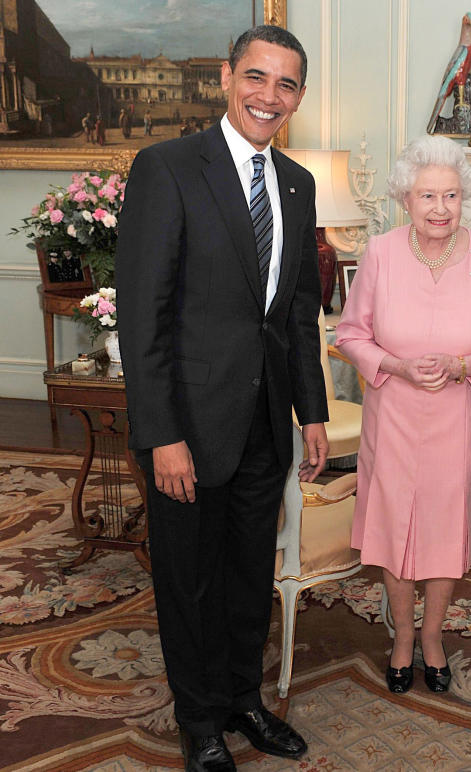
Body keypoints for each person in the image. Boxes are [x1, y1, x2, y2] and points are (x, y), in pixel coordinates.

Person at [116, 25, 326, 771]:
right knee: (189, 580)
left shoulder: (297, 183)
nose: (270, 97)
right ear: (226, 77)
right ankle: (198, 717)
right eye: (257, 78)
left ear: (299, 96)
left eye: (287, 85)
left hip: (266, 424)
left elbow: (299, 311)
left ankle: (242, 698)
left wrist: (314, 412)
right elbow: (142, 316)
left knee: (246, 577)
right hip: (189, 429)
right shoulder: (168, 168)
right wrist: (162, 433)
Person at [336, 134, 471, 698]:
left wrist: (467, 363)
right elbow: (349, 334)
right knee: (394, 526)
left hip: (456, 419)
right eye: (426, 197)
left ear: (464, 197)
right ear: (405, 200)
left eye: (450, 196)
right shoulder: (381, 253)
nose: (439, 209)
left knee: (444, 529)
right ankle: (399, 641)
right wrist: (396, 364)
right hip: (391, 413)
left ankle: (434, 637)